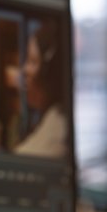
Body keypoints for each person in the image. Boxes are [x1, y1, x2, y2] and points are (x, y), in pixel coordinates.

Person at [14, 22, 68, 158]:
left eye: (32, 61)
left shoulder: (56, 131)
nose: (24, 70)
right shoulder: (51, 117)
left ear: (49, 73)